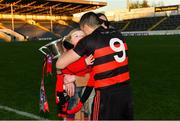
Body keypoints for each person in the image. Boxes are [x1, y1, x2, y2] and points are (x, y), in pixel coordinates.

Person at [56, 12, 133, 120]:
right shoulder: (118, 34)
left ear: (85, 26)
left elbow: (60, 64)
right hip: (125, 92)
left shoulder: (89, 40)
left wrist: (64, 48)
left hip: (106, 93)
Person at [55, 28, 94, 120]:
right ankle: (69, 116)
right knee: (72, 104)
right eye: (76, 36)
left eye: (82, 36)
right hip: (72, 86)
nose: (80, 37)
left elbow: (92, 70)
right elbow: (68, 67)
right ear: (70, 40)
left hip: (86, 84)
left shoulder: (88, 52)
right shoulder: (69, 53)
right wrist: (84, 63)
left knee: (86, 107)